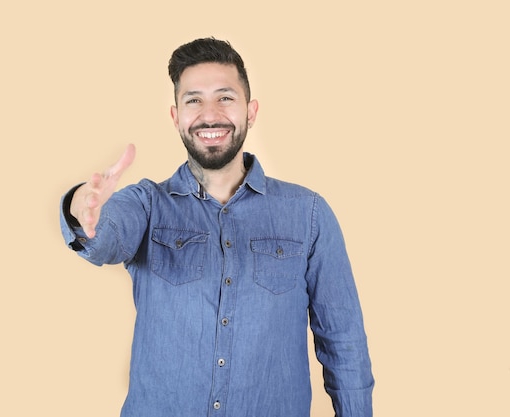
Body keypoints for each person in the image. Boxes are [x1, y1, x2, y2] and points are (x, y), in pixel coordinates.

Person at [60, 37, 374, 417]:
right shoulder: (146, 204)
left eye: (225, 97)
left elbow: (344, 341)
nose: (210, 114)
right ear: (176, 116)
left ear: (250, 111)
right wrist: (83, 207)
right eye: (193, 100)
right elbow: (104, 238)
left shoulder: (308, 213)